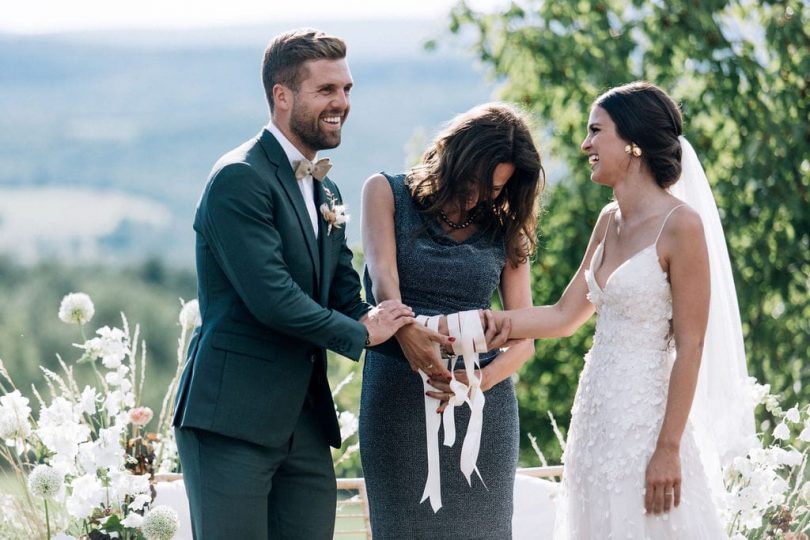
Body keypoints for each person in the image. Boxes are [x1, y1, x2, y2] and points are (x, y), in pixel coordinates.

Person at [171, 29, 437, 539]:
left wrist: (408, 331)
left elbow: (341, 293)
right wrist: (364, 333)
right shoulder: (238, 178)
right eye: (327, 90)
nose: (342, 103)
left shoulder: (326, 187)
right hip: (231, 419)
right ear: (282, 95)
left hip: (305, 423)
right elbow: (273, 299)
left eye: (347, 89)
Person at [487, 81, 755, 538]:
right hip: (594, 418)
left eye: (596, 131)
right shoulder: (608, 220)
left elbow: (691, 345)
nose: (585, 144)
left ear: (632, 143)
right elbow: (565, 315)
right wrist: (490, 322)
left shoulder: (681, 225)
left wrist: (667, 448)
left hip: (648, 427)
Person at [360, 102, 544, 539]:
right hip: (398, 390)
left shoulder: (506, 225)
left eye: (498, 189)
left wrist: (473, 381)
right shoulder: (385, 193)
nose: (483, 197)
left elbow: (525, 338)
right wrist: (410, 335)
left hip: (483, 399)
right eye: (478, 182)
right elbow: (385, 283)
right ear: (455, 157)